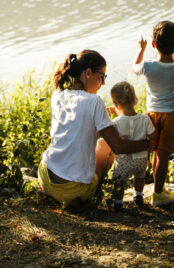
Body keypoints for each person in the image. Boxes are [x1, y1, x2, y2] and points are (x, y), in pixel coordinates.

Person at [38, 50, 150, 204]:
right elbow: (118, 147)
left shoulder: (58, 95)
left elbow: (79, 113)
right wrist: (148, 143)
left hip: (45, 177)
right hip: (73, 191)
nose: (103, 83)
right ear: (88, 73)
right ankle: (105, 188)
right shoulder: (94, 101)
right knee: (105, 145)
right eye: (102, 76)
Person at [133, 21, 174, 206]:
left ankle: (158, 189)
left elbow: (135, 66)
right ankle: (157, 193)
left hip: (153, 115)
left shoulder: (148, 66)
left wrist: (141, 49)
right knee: (163, 156)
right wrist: (172, 49)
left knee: (156, 153)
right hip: (171, 116)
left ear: (154, 45)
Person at [108, 81, 155, 211]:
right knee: (140, 177)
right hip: (141, 159)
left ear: (115, 104)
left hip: (124, 160)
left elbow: (114, 142)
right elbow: (153, 136)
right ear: (134, 100)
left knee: (119, 182)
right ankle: (138, 195)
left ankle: (117, 202)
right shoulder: (145, 119)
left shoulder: (116, 122)